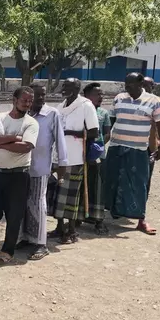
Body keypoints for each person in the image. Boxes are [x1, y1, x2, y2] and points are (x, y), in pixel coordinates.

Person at [104, 73, 160, 235]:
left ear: (140, 84)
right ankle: (110, 213)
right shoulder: (119, 98)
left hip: (139, 150)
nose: (127, 87)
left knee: (139, 184)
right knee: (112, 180)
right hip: (116, 147)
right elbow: (110, 123)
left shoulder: (154, 102)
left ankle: (140, 219)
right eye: (126, 84)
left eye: (130, 84)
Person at [0, 87, 38, 265]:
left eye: (30, 100)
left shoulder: (31, 123)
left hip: (18, 175)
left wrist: (1, 143)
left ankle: (7, 250)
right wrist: (14, 138)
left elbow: (26, 147)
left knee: (14, 215)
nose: (28, 103)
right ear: (14, 100)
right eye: (24, 100)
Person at [18, 83, 67, 260]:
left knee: (38, 204)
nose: (40, 99)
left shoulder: (51, 114)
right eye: (35, 96)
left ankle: (40, 243)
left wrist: (62, 164)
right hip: (21, 167)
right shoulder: (23, 114)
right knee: (22, 204)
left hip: (40, 167)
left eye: (42, 95)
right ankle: (25, 237)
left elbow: (60, 142)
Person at [50, 78, 99, 244]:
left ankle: (71, 230)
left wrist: (71, 132)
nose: (63, 89)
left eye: (67, 86)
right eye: (63, 85)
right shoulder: (61, 106)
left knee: (71, 195)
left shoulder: (85, 105)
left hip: (75, 157)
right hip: (58, 157)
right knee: (57, 194)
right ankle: (59, 227)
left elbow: (94, 132)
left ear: (77, 89)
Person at [82, 83, 111, 234]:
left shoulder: (104, 113)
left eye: (101, 94)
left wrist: (96, 150)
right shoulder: (81, 111)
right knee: (82, 186)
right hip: (80, 155)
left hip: (98, 155)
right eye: (96, 94)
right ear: (86, 96)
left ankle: (99, 220)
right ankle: (81, 217)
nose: (100, 97)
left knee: (98, 187)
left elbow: (107, 133)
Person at [142, 76, 160, 228]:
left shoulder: (159, 101)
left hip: (151, 145)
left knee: (146, 177)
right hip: (133, 142)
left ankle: (141, 213)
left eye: (148, 85)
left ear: (153, 86)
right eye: (143, 84)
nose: (145, 88)